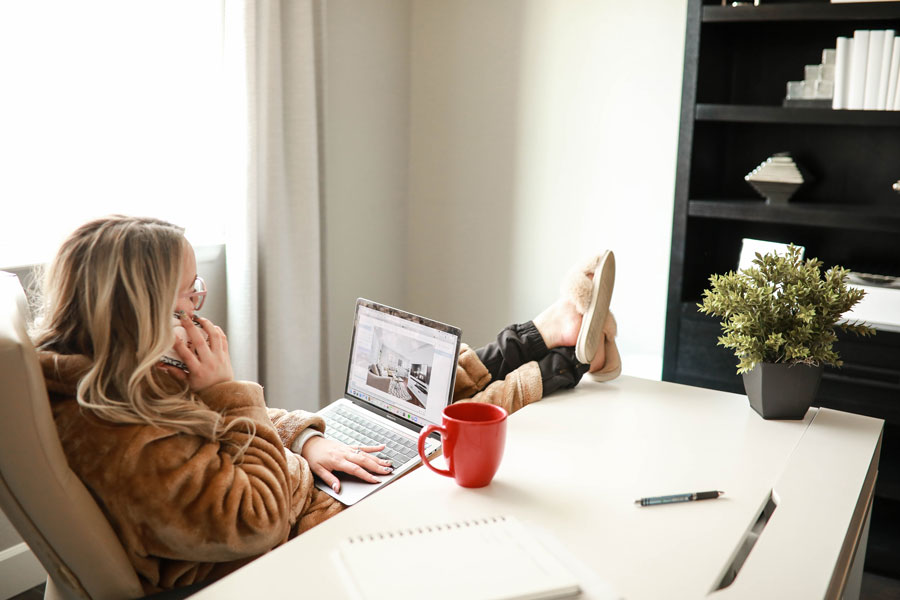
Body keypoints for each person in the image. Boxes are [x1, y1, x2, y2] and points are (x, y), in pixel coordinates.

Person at [33, 215, 620, 594]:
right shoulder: (121, 439)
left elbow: (236, 432)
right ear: (137, 314)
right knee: (445, 431)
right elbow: (253, 520)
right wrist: (228, 392)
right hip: (299, 542)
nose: (198, 314)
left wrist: (308, 438)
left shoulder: (132, 378)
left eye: (197, 294)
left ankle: (549, 331)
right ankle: (565, 358)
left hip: (308, 483)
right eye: (184, 301)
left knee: (413, 402)